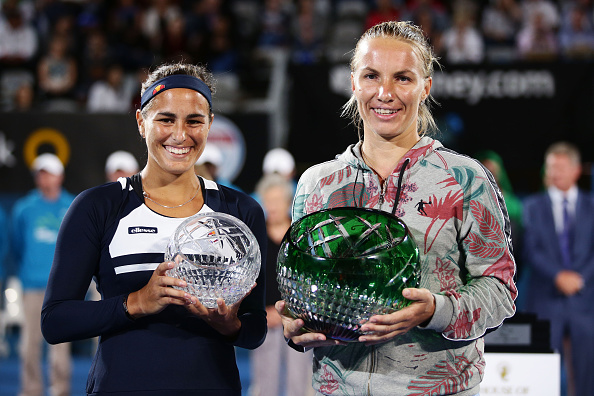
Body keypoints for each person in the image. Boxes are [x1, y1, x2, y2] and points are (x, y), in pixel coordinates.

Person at [276, 21, 517, 395]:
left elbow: (499, 290)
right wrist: (298, 326)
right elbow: (307, 289)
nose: (384, 93)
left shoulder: (466, 179)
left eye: (402, 78)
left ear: (426, 87)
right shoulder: (316, 184)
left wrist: (436, 310)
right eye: (371, 76)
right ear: (354, 82)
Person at [41, 62, 267, 395]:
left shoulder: (239, 212)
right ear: (141, 122)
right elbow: (55, 320)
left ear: (210, 125)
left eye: (194, 121)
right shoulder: (99, 206)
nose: (180, 134)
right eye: (165, 119)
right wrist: (135, 303)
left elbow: (255, 329)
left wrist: (230, 325)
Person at [522, 141, 594, 396]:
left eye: (561, 167)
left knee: (587, 373)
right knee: (544, 374)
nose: (554, 173)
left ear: (576, 170)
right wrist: (559, 275)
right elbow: (531, 249)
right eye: (551, 167)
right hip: (545, 300)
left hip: (585, 302)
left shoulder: (591, 205)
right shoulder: (531, 206)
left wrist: (580, 278)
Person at [10, 153, 75, 396]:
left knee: (60, 346)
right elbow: (17, 245)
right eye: (40, 173)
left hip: (62, 288)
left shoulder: (73, 205)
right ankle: (31, 389)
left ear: (60, 176)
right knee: (29, 345)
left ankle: (60, 390)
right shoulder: (24, 209)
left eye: (49, 172)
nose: (44, 178)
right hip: (32, 285)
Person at [249, 173, 313, 396]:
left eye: (278, 201)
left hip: (299, 319)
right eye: (268, 201)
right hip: (266, 321)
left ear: (288, 202)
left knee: (299, 383)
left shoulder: (301, 237)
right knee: (265, 384)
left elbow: (310, 278)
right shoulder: (254, 239)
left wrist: (292, 310)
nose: (273, 207)